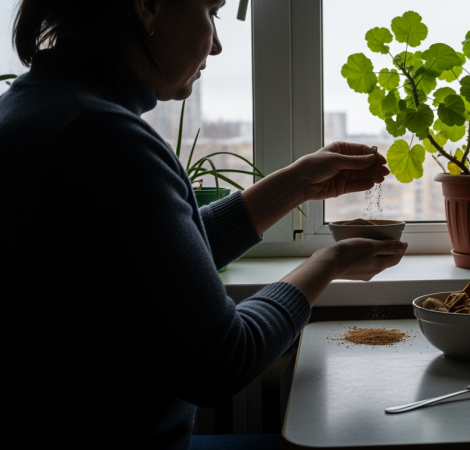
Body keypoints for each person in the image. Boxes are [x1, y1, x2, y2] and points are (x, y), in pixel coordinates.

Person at [0, 0, 406, 448]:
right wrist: (328, 263)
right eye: (211, 11)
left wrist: (294, 185)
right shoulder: (99, 138)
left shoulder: (40, 108)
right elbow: (223, 361)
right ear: (148, 7)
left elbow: (152, 268)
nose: (215, 45)